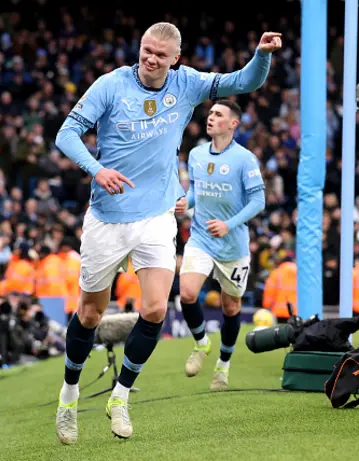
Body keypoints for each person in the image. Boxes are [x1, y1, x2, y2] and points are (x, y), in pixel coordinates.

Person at [53, 21, 282, 443]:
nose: (150, 58)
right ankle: (68, 396)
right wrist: (97, 169)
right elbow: (66, 134)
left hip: (158, 215)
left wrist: (262, 55)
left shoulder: (188, 83)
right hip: (107, 216)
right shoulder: (111, 85)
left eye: (160, 54)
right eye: (146, 50)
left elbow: (244, 81)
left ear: (175, 58)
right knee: (90, 313)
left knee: (156, 309)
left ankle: (119, 397)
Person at [175, 99, 265, 390]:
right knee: (187, 293)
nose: (211, 117)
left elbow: (258, 201)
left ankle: (223, 366)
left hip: (232, 246)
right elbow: (196, 194)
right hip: (201, 238)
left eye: (218, 114)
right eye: (210, 113)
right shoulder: (197, 154)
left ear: (233, 124)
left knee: (230, 306)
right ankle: (201, 343)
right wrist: (183, 203)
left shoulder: (245, 159)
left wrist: (229, 224)